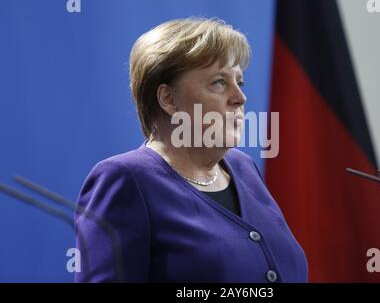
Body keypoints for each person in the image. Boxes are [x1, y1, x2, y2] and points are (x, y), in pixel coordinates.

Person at [75, 17, 308, 283]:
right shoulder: (124, 179)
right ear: (168, 99)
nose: (240, 98)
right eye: (219, 82)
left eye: (239, 82)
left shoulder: (244, 168)